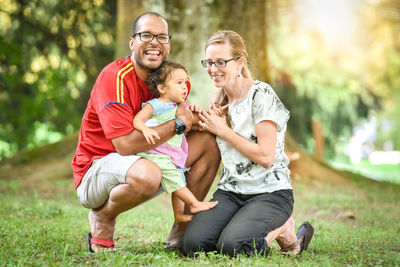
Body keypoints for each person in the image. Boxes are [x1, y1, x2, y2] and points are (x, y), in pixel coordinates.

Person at [71, 12, 221, 253]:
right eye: (146, 35)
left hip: (149, 157)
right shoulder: (115, 78)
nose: (154, 43)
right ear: (132, 42)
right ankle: (104, 217)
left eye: (161, 37)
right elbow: (125, 145)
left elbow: (181, 121)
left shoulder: (171, 79)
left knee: (207, 144)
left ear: (169, 45)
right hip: (97, 170)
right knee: (148, 174)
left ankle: (181, 234)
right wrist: (180, 124)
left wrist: (198, 120)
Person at [179, 30, 314, 257]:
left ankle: (283, 229)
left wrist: (223, 130)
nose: (213, 68)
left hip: (270, 192)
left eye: (221, 62)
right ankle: (241, 226)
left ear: (240, 62)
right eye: (209, 62)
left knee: (235, 247)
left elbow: (266, 157)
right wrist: (194, 120)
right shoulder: (219, 101)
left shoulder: (261, 95)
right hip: (231, 192)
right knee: (192, 244)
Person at [133, 60, 218, 223]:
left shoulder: (180, 105)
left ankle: (179, 215)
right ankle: (194, 203)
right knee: (175, 178)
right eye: (179, 83)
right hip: (155, 153)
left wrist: (197, 112)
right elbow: (138, 120)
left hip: (171, 153)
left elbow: (189, 121)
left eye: (185, 82)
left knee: (180, 179)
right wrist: (145, 129)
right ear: (162, 88)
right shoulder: (156, 105)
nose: (185, 86)